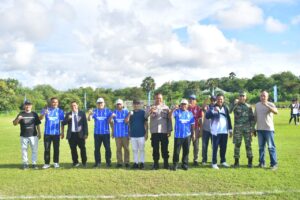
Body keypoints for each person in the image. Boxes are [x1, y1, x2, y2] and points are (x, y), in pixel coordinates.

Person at [206, 93, 232, 170]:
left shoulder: (225, 108)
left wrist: (230, 129)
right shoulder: (212, 107)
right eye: (218, 99)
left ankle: (223, 161)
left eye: (221, 99)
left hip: (224, 131)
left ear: (223, 100)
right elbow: (207, 116)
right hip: (216, 131)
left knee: (223, 147)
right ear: (216, 100)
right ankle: (214, 163)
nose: (220, 100)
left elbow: (229, 119)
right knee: (215, 147)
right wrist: (213, 111)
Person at [146, 93, 172, 170]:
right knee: (155, 149)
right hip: (154, 131)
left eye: (160, 98)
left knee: (165, 148)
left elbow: (169, 119)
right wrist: (150, 110)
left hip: (164, 131)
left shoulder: (166, 107)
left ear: (162, 99)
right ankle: (156, 164)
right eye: (157, 98)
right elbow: (145, 116)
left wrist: (169, 130)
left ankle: (166, 164)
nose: (158, 99)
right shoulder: (151, 107)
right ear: (155, 99)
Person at [13, 100, 41, 170]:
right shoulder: (21, 114)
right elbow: (14, 123)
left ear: (31, 106)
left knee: (34, 150)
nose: (28, 106)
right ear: (24, 106)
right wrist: (18, 119)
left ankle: (34, 163)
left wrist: (39, 133)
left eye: (29, 104)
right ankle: (25, 164)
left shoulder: (34, 114)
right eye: (26, 104)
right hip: (24, 135)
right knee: (24, 150)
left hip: (33, 135)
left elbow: (37, 124)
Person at [254, 90, 278, 170]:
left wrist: (267, 105)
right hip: (259, 129)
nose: (263, 97)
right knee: (261, 147)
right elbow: (255, 117)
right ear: (260, 97)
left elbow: (276, 112)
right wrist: (253, 128)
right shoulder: (257, 105)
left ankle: (274, 164)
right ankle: (261, 163)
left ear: (267, 97)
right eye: (261, 96)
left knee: (271, 147)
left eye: (264, 96)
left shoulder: (271, 104)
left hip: (269, 129)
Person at [230, 91, 255, 168]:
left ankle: (250, 162)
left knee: (248, 145)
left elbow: (252, 119)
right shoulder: (235, 106)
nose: (241, 97)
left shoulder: (249, 107)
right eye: (240, 96)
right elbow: (229, 111)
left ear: (245, 97)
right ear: (238, 97)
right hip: (238, 129)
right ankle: (236, 162)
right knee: (237, 145)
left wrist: (252, 130)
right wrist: (234, 103)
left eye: (243, 96)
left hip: (247, 129)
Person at [39, 97, 64, 169]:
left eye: (56, 102)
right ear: (51, 103)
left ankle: (56, 162)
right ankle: (47, 163)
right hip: (47, 133)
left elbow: (62, 122)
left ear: (58, 103)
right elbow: (39, 118)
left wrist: (62, 132)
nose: (54, 103)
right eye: (53, 102)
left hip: (56, 133)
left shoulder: (60, 111)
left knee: (56, 149)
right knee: (47, 149)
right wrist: (43, 114)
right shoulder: (45, 110)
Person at [170, 99, 195, 171]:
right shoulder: (177, 112)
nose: (184, 105)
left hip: (187, 135)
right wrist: (173, 109)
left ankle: (185, 164)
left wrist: (193, 134)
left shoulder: (190, 113)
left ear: (187, 105)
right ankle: (175, 164)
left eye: (185, 104)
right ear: (180, 105)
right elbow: (170, 116)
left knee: (186, 151)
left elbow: (192, 125)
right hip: (178, 135)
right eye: (182, 104)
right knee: (176, 151)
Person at [62, 101, 88, 167]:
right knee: (73, 149)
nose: (73, 107)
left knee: (82, 148)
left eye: (74, 105)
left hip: (80, 134)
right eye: (72, 106)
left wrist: (86, 134)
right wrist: (68, 118)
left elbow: (85, 124)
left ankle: (84, 162)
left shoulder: (82, 113)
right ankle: (75, 162)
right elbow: (63, 123)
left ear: (77, 106)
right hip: (71, 135)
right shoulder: (68, 114)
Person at [88, 97, 112, 168]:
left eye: (101, 103)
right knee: (97, 149)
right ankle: (97, 162)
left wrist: (113, 130)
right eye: (98, 103)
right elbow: (89, 119)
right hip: (97, 133)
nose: (100, 104)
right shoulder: (94, 111)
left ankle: (108, 162)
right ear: (97, 104)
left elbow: (111, 121)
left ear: (104, 103)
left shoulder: (108, 111)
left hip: (106, 133)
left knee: (107, 148)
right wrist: (89, 114)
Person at [110, 99, 130, 168]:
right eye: (117, 104)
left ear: (122, 105)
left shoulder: (126, 111)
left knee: (126, 148)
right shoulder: (114, 112)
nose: (119, 105)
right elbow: (110, 122)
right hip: (117, 134)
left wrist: (129, 133)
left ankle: (127, 162)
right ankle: (119, 162)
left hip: (125, 133)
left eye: (120, 104)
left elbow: (129, 122)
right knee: (118, 149)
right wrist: (111, 116)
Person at [128, 99, 148, 169]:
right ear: (133, 105)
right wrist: (129, 132)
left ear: (139, 105)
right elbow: (128, 123)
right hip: (133, 134)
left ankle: (142, 163)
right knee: (134, 150)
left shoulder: (143, 112)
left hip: (141, 134)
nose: (136, 105)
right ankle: (136, 163)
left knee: (142, 149)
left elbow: (146, 123)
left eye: (137, 104)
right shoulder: (130, 112)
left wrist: (146, 133)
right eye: (135, 104)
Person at [188, 94, 203, 166]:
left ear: (196, 101)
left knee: (196, 146)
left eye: (193, 99)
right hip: (187, 129)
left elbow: (200, 119)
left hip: (196, 128)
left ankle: (195, 160)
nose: (192, 100)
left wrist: (201, 130)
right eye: (190, 99)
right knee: (186, 145)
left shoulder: (198, 108)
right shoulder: (186, 108)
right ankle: (186, 159)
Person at [201, 95, 216, 165]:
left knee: (214, 146)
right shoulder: (207, 107)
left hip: (214, 130)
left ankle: (214, 159)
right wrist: (206, 100)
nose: (213, 101)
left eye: (214, 100)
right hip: (206, 129)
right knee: (204, 145)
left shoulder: (217, 107)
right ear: (210, 100)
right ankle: (204, 160)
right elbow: (203, 106)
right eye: (212, 100)